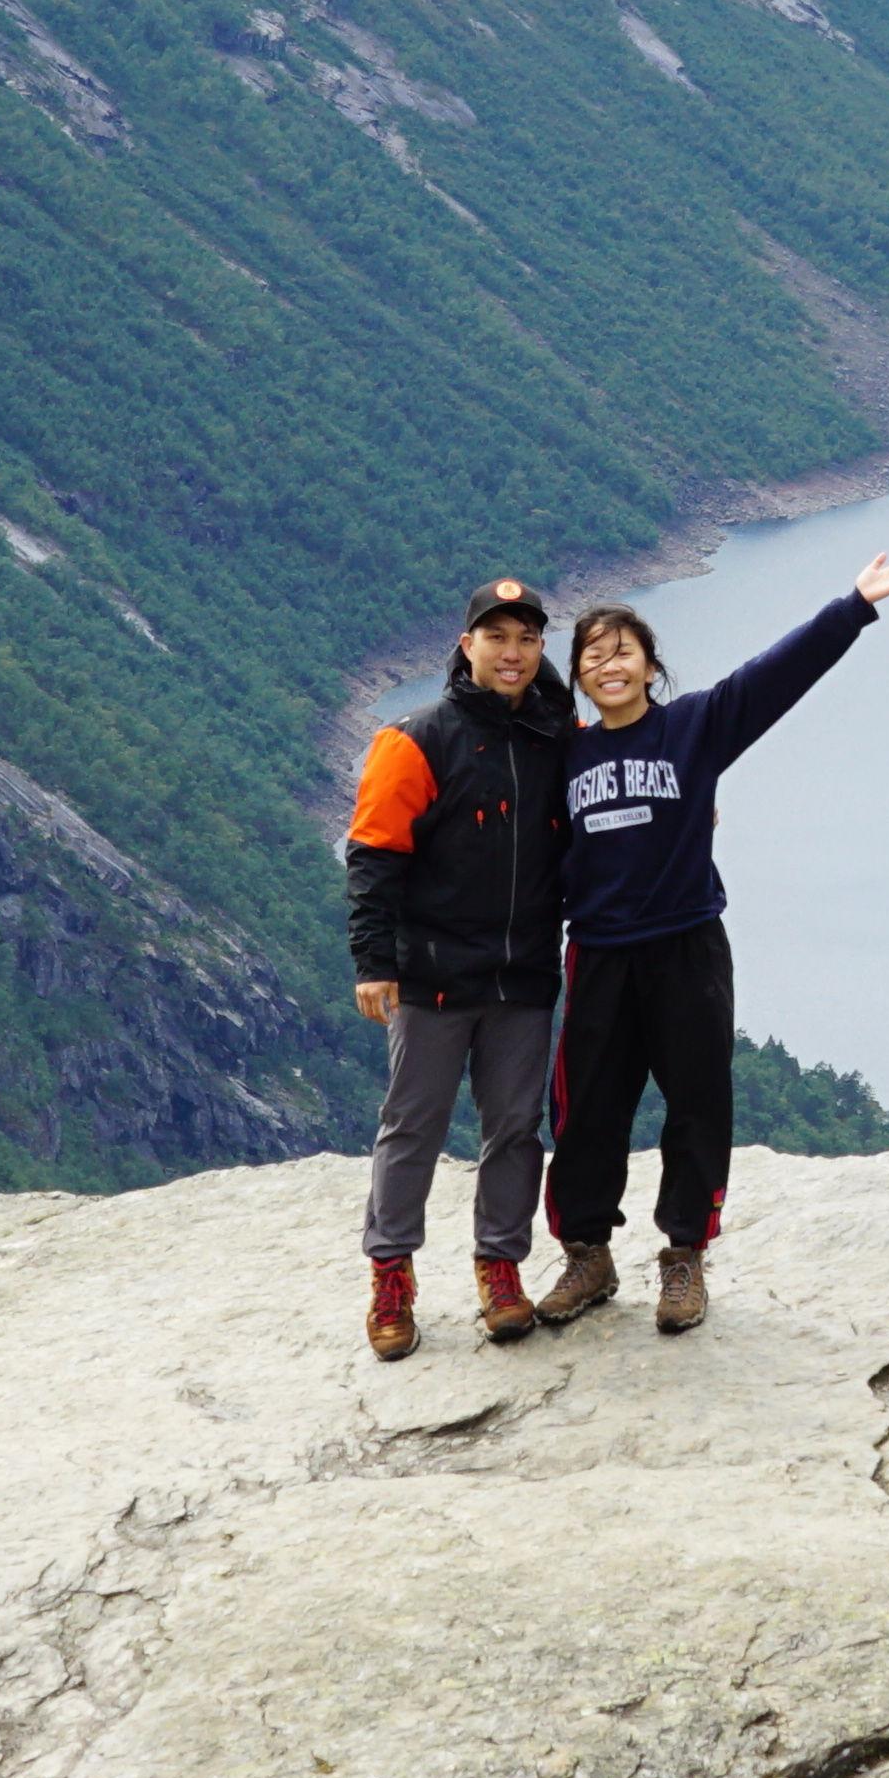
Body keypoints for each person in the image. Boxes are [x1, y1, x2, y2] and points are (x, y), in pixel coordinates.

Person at [540, 547, 889, 1330]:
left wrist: (854, 604)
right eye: (593, 657)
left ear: (651, 666)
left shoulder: (695, 728)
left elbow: (776, 675)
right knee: (586, 1114)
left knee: (698, 1104)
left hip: (686, 948)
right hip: (601, 955)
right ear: (578, 677)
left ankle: (684, 1258)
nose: (610, 667)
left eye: (625, 653)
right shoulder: (562, 756)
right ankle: (587, 1254)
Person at [340, 574, 573, 1359]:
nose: (513, 653)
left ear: (541, 647)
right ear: (466, 644)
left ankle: (500, 1267)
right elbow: (373, 858)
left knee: (515, 1128)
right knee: (414, 1125)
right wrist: (375, 963)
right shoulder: (417, 739)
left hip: (523, 975)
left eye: (527, 638)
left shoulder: (557, 736)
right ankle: (391, 1276)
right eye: (497, 637)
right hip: (433, 974)